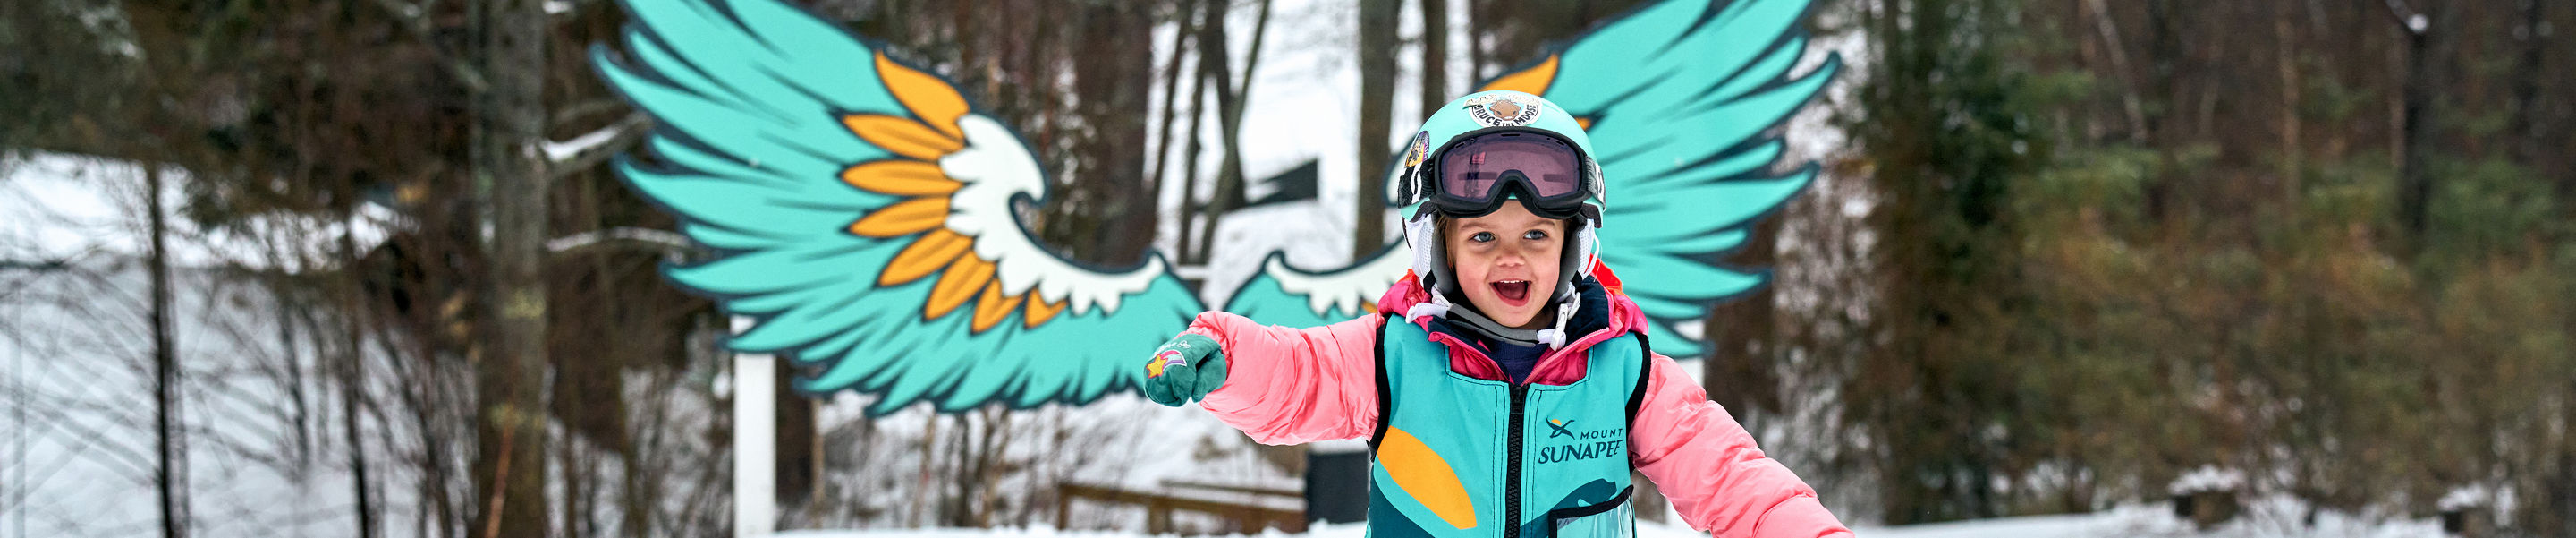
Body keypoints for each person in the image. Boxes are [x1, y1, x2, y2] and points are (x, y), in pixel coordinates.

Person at [1141, 90, 1849, 538]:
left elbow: (1731, 478)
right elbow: (1300, 375)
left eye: (1536, 235)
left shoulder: (1624, 370)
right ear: (1439, 248)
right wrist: (1226, 356)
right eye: (1483, 238)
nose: (1512, 257)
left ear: (1573, 245)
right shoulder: (1391, 354)